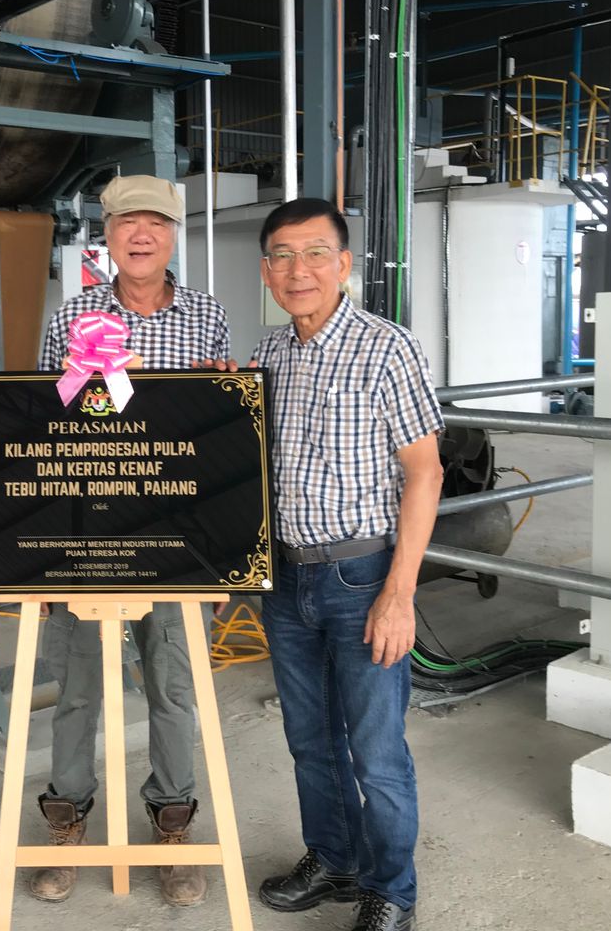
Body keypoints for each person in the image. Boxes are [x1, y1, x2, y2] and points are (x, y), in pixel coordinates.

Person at [34, 174, 230, 907]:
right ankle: (66, 826)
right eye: (125, 222)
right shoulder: (75, 316)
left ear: (175, 234)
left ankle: (174, 829)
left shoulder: (208, 317)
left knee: (173, 688)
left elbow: (222, 441)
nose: (141, 234)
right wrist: (42, 555)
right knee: (78, 689)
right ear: (107, 235)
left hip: (179, 539)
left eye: (156, 222)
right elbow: (47, 433)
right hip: (91, 536)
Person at [249, 198, 443, 931]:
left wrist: (399, 593)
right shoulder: (267, 355)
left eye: (314, 254)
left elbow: (425, 473)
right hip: (285, 579)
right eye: (283, 256)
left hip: (361, 578)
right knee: (309, 740)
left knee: (376, 749)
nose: (298, 270)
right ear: (266, 271)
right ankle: (334, 859)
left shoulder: (387, 348)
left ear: (344, 264)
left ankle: (392, 890)